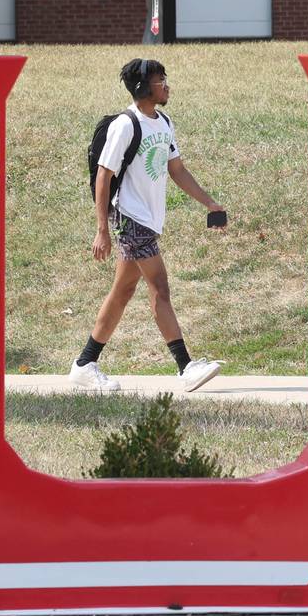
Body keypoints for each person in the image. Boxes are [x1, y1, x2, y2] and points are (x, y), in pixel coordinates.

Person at [69, 58, 225, 392]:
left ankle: (85, 363)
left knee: (123, 291)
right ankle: (185, 366)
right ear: (143, 87)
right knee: (160, 286)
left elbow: (177, 169)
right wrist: (102, 229)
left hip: (148, 220)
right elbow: (103, 175)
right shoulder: (126, 125)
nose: (166, 84)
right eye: (160, 80)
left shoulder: (163, 122)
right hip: (130, 218)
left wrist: (209, 202)